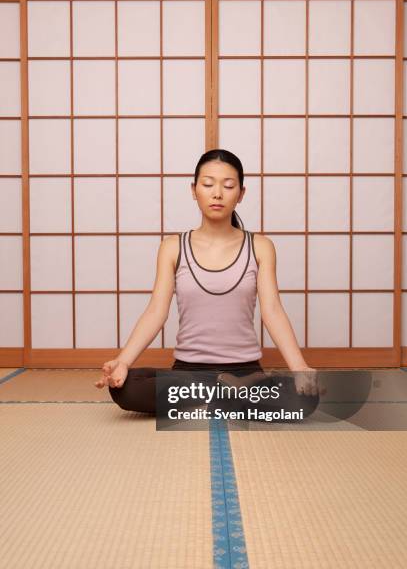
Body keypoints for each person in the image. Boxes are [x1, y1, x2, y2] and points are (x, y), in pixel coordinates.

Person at [94, 149, 322, 417]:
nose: (217, 193)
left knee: (306, 400)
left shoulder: (260, 247)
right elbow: (156, 311)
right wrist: (122, 361)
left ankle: (209, 402)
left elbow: (272, 311)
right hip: (189, 374)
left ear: (241, 194)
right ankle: (227, 399)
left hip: (245, 371)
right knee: (125, 387)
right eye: (207, 184)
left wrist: (299, 368)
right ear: (194, 190)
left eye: (228, 186)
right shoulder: (172, 247)